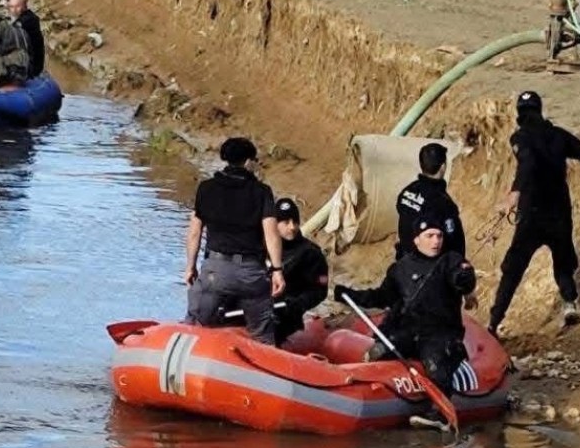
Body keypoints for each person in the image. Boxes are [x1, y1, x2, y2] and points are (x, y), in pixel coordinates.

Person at [486, 91, 580, 338]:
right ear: (540, 110)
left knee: (513, 268)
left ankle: (494, 322)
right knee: (563, 258)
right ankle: (570, 302)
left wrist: (514, 193)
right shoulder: (558, 135)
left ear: (519, 114)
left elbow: (527, 164)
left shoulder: (520, 138)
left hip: (532, 214)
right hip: (558, 210)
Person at [333, 215, 475, 400]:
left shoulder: (451, 260)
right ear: (417, 239)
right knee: (378, 352)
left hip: (439, 333)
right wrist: (350, 295)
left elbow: (464, 279)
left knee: (437, 368)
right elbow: (382, 296)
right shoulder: (401, 269)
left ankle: (438, 411)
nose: (436, 241)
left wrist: (464, 279)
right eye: (430, 236)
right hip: (409, 331)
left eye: (439, 236)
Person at [185, 137, 286, 345]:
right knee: (262, 335)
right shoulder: (261, 191)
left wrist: (190, 266)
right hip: (251, 273)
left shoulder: (206, 188)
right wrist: (277, 270)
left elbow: (195, 232)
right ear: (248, 162)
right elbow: (271, 233)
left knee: (194, 325)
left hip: (215, 270)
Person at [272, 197, 330, 345]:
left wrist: (298, 304)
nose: (292, 227)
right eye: (286, 222)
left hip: (286, 317)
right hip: (257, 311)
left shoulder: (310, 253)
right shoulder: (262, 249)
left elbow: (319, 290)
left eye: (295, 222)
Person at [395, 142, 465, 260]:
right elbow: (454, 242)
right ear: (443, 167)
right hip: (428, 266)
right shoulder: (443, 204)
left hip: (405, 261)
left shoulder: (407, 191)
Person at [7, 0, 46, 78]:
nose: (12, 10)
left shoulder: (26, 21)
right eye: (11, 6)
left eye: (15, 6)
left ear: (22, 7)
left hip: (31, 68)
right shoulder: (30, 18)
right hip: (34, 64)